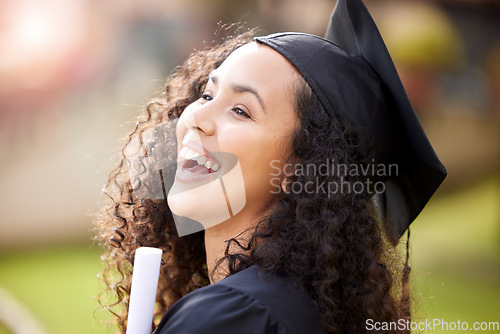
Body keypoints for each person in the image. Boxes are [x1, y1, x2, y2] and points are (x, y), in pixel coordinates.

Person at [94, 0, 446, 333]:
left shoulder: (229, 316)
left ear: (306, 170)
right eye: (207, 95)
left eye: (241, 110)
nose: (197, 117)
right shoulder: (297, 307)